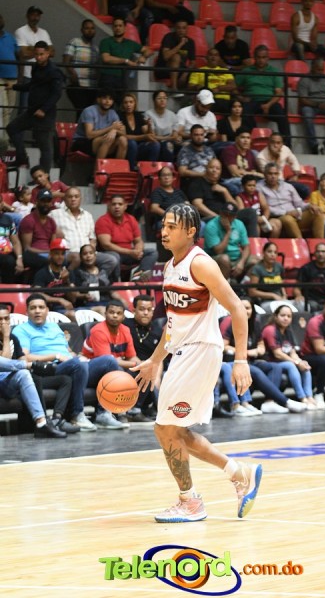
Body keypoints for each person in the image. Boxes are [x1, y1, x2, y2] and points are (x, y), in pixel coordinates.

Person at [132, 203, 263, 522]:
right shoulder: (169, 267)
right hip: (182, 351)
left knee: (165, 429)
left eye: (172, 226)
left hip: (201, 351)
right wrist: (154, 360)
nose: (164, 232)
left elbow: (238, 309)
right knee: (173, 430)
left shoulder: (201, 264)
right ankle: (238, 473)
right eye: (163, 225)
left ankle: (190, 502)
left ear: (190, 231)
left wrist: (241, 359)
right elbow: (173, 324)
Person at [13, 293, 122, 431]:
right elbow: (24, 358)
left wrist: (79, 356)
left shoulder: (54, 327)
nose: (37, 311)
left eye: (41, 307)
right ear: (27, 312)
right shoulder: (21, 330)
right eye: (33, 308)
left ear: (47, 310)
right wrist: (55, 356)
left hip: (71, 365)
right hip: (49, 369)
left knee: (109, 361)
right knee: (78, 364)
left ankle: (103, 413)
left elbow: (68, 351)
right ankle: (77, 415)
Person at [0, 303, 67, 439]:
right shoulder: (8, 337)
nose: (3, 323)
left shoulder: (14, 338)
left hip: (9, 383)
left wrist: (27, 366)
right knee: (26, 369)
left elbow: (21, 360)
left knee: (26, 374)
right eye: (0, 319)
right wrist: (6, 337)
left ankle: (42, 423)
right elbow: (3, 364)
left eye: (6, 319)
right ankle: (32, 366)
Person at [81, 299, 137, 429]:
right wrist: (134, 364)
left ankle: (137, 409)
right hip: (88, 372)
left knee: (144, 369)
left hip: (110, 371)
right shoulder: (99, 331)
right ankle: (103, 413)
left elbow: (132, 357)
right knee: (111, 363)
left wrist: (145, 365)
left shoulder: (125, 330)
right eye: (111, 312)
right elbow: (108, 361)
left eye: (118, 313)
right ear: (105, 314)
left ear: (123, 317)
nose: (115, 316)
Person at [7, 41, 62, 170]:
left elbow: (56, 94)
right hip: (32, 111)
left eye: (41, 54)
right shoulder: (36, 67)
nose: (38, 57)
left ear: (48, 53)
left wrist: (43, 109)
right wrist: (15, 87)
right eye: (36, 54)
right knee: (12, 128)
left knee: (44, 146)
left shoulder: (54, 71)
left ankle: (44, 175)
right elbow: (32, 85)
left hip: (45, 115)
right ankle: (22, 158)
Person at [49, 186, 120, 280]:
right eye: (70, 197)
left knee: (112, 260)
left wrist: (90, 252)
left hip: (86, 252)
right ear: (65, 199)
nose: (73, 199)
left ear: (80, 199)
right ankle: (67, 278)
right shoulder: (54, 214)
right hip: (68, 253)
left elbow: (92, 239)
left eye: (76, 196)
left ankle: (97, 279)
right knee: (77, 258)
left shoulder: (88, 215)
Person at [235, 45, 292, 148]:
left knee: (282, 116)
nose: (261, 60)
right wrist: (241, 98)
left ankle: (287, 146)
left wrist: (268, 105)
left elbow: (278, 93)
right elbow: (234, 87)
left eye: (264, 57)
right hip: (251, 101)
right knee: (245, 113)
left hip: (269, 101)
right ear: (254, 57)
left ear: (268, 58)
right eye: (259, 57)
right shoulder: (246, 71)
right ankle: (248, 145)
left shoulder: (274, 71)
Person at [262, 302, 316, 409]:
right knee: (291, 365)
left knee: (305, 366)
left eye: (289, 316)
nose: (286, 318)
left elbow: (292, 352)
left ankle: (309, 397)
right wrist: (296, 362)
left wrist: (300, 361)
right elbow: (277, 354)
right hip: (271, 363)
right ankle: (302, 398)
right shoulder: (270, 330)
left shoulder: (288, 331)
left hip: (284, 362)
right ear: (276, 316)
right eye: (282, 315)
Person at [187, 158, 258, 238]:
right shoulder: (197, 183)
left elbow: (236, 207)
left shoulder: (223, 186)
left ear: (220, 171)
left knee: (250, 212)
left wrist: (225, 192)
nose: (214, 170)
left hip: (228, 216)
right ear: (206, 168)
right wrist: (218, 218)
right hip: (209, 218)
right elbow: (198, 206)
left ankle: (253, 243)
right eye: (211, 167)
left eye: (218, 168)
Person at [95, 194, 158, 281]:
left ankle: (138, 275)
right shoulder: (103, 220)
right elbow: (106, 245)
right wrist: (130, 252)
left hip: (129, 254)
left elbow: (138, 241)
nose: (117, 207)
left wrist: (138, 250)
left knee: (152, 252)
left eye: (120, 204)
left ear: (125, 206)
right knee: (114, 257)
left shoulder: (131, 219)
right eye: (114, 204)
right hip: (111, 253)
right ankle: (115, 282)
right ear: (109, 206)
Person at [257, 163, 325, 239]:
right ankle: (300, 243)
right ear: (265, 174)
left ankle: (319, 243)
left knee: (317, 213)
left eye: (275, 174)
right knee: (288, 219)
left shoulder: (287, 186)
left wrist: (310, 205)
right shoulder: (259, 187)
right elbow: (265, 208)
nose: (273, 176)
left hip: (295, 215)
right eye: (270, 174)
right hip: (278, 217)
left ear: (279, 174)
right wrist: (286, 212)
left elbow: (299, 203)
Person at [124, 294, 163, 422]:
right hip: (129, 365)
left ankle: (154, 409)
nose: (146, 313)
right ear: (134, 310)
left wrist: (157, 377)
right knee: (145, 371)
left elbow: (160, 357)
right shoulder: (125, 326)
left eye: (149, 309)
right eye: (141, 309)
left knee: (156, 376)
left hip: (151, 366)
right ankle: (134, 411)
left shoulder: (157, 330)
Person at [14, 6, 54, 111]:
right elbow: (23, 53)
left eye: (37, 15)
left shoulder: (44, 32)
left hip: (44, 74)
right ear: (27, 16)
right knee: (24, 107)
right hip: (27, 74)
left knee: (40, 106)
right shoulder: (20, 31)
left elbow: (53, 52)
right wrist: (43, 51)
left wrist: (31, 48)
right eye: (33, 15)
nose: (35, 17)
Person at [204, 202, 257, 281]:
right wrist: (228, 231)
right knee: (224, 259)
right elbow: (218, 251)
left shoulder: (239, 224)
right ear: (220, 213)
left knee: (255, 260)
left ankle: (243, 284)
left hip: (236, 258)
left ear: (235, 216)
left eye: (230, 215)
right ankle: (224, 284)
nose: (227, 217)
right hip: (215, 258)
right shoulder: (211, 226)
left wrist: (241, 262)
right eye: (225, 214)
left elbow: (246, 247)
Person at [70, 244, 128, 314]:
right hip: (87, 305)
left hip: (106, 303)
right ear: (81, 257)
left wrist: (122, 300)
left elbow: (111, 291)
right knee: (104, 311)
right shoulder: (76, 272)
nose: (88, 256)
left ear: (95, 255)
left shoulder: (103, 271)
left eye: (91, 253)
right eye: (85, 254)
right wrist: (83, 296)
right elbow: (74, 294)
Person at [99, 17, 152, 92]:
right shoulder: (105, 41)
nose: (118, 28)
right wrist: (126, 61)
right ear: (112, 28)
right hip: (107, 77)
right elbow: (106, 58)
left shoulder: (130, 43)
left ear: (125, 28)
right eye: (115, 26)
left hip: (123, 78)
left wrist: (143, 57)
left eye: (120, 26)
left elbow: (149, 50)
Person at [71, 89, 127, 160]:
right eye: (104, 98)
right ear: (98, 99)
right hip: (81, 141)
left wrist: (114, 131)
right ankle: (98, 166)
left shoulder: (113, 113)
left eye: (110, 99)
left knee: (122, 140)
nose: (107, 101)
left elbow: (123, 133)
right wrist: (111, 128)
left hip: (101, 142)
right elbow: (89, 135)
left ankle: (117, 167)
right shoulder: (89, 111)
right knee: (108, 139)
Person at [256, 132, 311, 201]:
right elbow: (269, 175)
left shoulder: (285, 149)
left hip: (283, 182)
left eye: (278, 143)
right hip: (269, 184)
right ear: (268, 143)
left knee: (304, 189)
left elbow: (294, 162)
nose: (275, 145)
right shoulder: (261, 156)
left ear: (282, 144)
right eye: (273, 142)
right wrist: (277, 158)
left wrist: (296, 175)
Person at [63, 19, 99, 119]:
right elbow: (66, 61)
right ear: (82, 30)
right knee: (82, 110)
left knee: (87, 113)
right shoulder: (74, 42)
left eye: (92, 28)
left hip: (92, 86)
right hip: (77, 85)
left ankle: (81, 129)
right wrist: (72, 73)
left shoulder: (96, 48)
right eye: (87, 28)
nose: (90, 31)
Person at [33, 238, 76, 319]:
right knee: (72, 315)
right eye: (57, 254)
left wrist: (66, 281)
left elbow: (73, 299)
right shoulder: (42, 273)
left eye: (62, 254)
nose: (60, 257)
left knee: (98, 309)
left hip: (69, 308)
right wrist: (59, 300)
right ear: (51, 254)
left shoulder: (68, 272)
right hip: (50, 310)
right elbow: (37, 294)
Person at [19, 188, 58, 276]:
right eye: (43, 201)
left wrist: (53, 253)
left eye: (48, 201)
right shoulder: (29, 220)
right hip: (32, 254)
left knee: (68, 259)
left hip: (48, 253)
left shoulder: (52, 221)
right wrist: (47, 252)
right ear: (36, 202)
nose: (46, 204)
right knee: (50, 262)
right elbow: (27, 248)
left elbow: (53, 245)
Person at [294, 242, 325, 312]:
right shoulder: (306, 268)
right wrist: (298, 295)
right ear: (314, 254)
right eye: (318, 251)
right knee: (313, 306)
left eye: (323, 251)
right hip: (309, 300)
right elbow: (297, 288)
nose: (320, 254)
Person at [119, 91, 160, 169]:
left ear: (135, 104)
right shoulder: (120, 116)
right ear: (122, 105)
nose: (128, 105)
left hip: (140, 147)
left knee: (155, 144)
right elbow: (124, 136)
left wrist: (149, 126)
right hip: (126, 148)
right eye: (126, 102)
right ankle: (131, 170)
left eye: (131, 102)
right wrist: (143, 137)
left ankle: (150, 170)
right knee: (132, 143)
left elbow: (149, 135)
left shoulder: (138, 116)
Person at [188, 47, 236, 114]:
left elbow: (232, 86)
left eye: (216, 55)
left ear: (219, 58)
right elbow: (190, 86)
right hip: (205, 100)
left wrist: (219, 88)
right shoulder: (198, 71)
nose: (213, 57)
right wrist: (199, 87)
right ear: (206, 57)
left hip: (223, 100)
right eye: (211, 55)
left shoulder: (225, 71)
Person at [154, 19, 195, 97]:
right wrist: (181, 44)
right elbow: (166, 56)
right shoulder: (168, 37)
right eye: (179, 28)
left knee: (197, 74)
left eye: (184, 28)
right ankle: (174, 89)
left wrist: (185, 73)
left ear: (187, 29)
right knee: (176, 57)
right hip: (163, 69)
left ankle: (189, 99)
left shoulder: (191, 42)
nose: (181, 30)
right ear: (175, 28)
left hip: (180, 70)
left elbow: (193, 62)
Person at [220, 127, 263, 197]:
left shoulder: (250, 153)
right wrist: (253, 173)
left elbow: (254, 171)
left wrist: (249, 173)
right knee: (247, 185)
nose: (246, 140)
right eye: (243, 137)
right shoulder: (229, 150)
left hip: (246, 179)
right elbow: (235, 173)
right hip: (230, 180)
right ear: (236, 139)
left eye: (248, 138)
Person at [176, 124, 216, 193]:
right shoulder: (185, 151)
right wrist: (203, 175)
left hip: (210, 181)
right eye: (196, 135)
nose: (199, 137)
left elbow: (216, 166)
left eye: (201, 135)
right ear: (191, 136)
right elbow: (182, 172)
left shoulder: (209, 150)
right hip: (193, 182)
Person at [248, 242, 288, 311]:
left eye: (275, 252)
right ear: (263, 253)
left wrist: (284, 295)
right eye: (269, 252)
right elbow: (252, 292)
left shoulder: (279, 266)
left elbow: (281, 283)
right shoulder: (257, 269)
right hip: (264, 302)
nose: (272, 254)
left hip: (280, 300)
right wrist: (272, 295)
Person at [144, 90, 180, 162]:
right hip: (155, 142)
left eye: (164, 98)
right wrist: (169, 138)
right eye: (159, 98)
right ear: (154, 100)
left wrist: (172, 138)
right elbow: (152, 136)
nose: (162, 100)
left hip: (169, 141)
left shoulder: (172, 115)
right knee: (165, 145)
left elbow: (175, 135)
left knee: (178, 144)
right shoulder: (148, 114)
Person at [0, 15, 19, 137]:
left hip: (13, 78)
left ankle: (4, 137)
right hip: (0, 78)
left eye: (1, 18)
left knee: (10, 109)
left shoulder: (10, 37)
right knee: (3, 108)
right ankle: (3, 139)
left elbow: (19, 56)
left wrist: (20, 77)